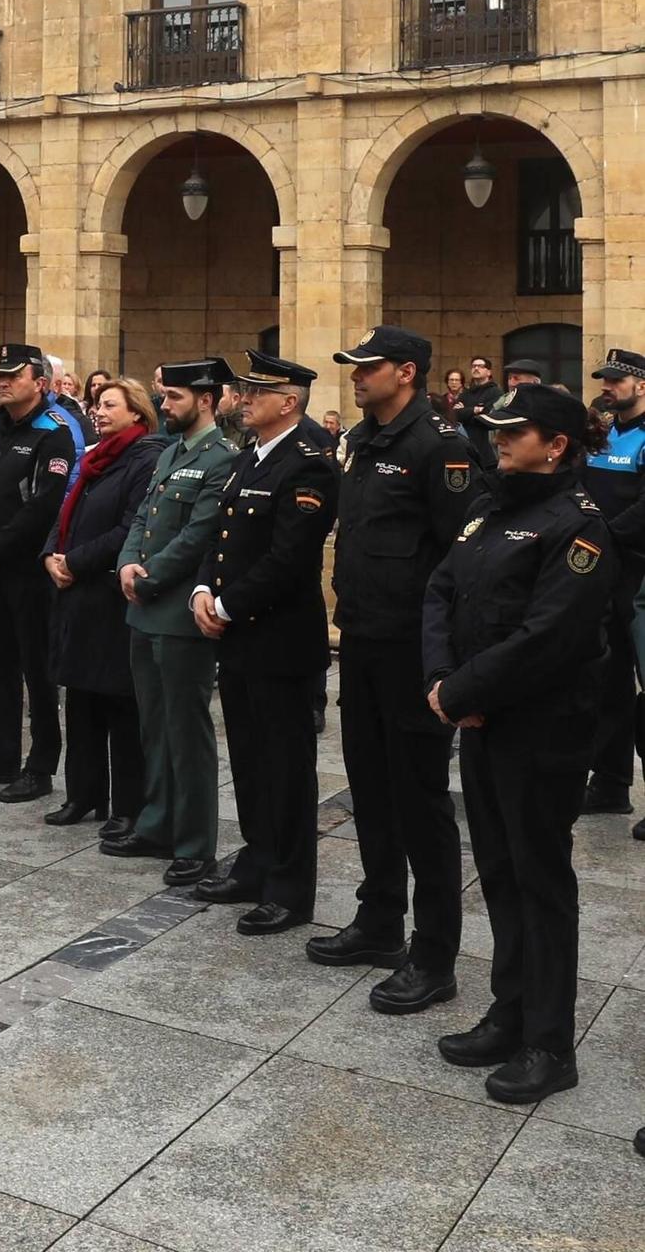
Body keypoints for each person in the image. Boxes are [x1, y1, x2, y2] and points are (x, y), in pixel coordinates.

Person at [423, 384, 615, 1105]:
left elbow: (549, 637)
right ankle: (508, 1013)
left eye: (514, 430)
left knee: (539, 881)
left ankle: (547, 1042)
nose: (497, 438)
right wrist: (444, 681)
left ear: (556, 444)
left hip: (541, 728)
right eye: (494, 428)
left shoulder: (578, 526)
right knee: (498, 872)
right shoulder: (486, 507)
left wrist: (463, 692)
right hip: (480, 720)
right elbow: (440, 591)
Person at [308, 325, 481, 1016]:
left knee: (419, 802)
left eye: (366, 366)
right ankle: (378, 921)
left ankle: (432, 954)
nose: (354, 376)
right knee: (370, 790)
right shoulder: (362, 440)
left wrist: (446, 663)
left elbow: (457, 562)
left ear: (404, 372)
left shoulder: (439, 446)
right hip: (363, 641)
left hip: (412, 650)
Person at [190, 351, 338, 932]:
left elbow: (290, 557)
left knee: (286, 768)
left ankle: (290, 886)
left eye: (256, 391)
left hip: (278, 641)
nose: (243, 398)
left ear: (290, 401)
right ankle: (256, 860)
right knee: (250, 760)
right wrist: (203, 586)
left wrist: (226, 605)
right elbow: (221, 535)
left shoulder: (308, 463)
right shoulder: (251, 455)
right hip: (239, 638)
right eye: (243, 390)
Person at [103, 358, 235, 888]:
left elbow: (200, 534)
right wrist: (127, 564)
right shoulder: (170, 453)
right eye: (164, 396)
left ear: (205, 399)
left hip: (179, 615)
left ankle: (196, 843)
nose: (165, 405)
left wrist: (148, 576)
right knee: (153, 728)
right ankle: (157, 824)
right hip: (144, 609)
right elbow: (143, 518)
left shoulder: (220, 458)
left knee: (187, 732)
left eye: (175, 397)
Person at [0, 341, 74, 801]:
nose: (1, 383)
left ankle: (40, 765)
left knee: (36, 670)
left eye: (12, 376)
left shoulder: (52, 433)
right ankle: (1, 752)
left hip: (26, 572)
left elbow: (41, 508)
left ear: (39, 383)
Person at [43, 377, 162, 833]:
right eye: (96, 404)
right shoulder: (93, 457)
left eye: (109, 404)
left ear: (135, 412)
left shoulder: (143, 459)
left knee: (118, 705)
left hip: (110, 598)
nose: (98, 410)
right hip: (76, 597)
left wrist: (73, 561)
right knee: (81, 701)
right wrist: (51, 555)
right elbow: (65, 513)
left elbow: (131, 528)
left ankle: (127, 804)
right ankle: (82, 794)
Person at [580, 346, 645, 821]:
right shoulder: (601, 434)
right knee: (609, 680)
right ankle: (610, 783)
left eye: (615, 381)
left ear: (640, 385)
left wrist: (602, 535)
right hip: (601, 572)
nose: (605, 387)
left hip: (638, 574)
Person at [459, 357, 501, 472]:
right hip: (467, 449)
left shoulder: (495, 392)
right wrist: (474, 410)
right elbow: (456, 414)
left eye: (480, 366)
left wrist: (466, 413)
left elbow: (488, 417)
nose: (476, 368)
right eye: (473, 366)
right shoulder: (465, 393)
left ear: (489, 372)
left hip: (486, 453)